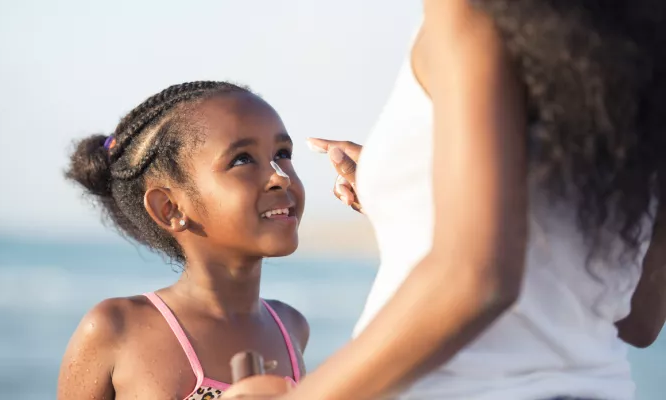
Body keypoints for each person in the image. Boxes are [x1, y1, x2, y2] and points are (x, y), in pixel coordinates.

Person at [223, 1, 666, 399]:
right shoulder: (639, 49)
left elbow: (475, 276)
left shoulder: (469, 12)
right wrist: (406, 194)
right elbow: (641, 317)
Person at [57, 81, 309, 400]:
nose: (280, 176)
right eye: (243, 159)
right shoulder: (115, 329)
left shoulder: (291, 328)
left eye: (282, 154)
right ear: (170, 208)